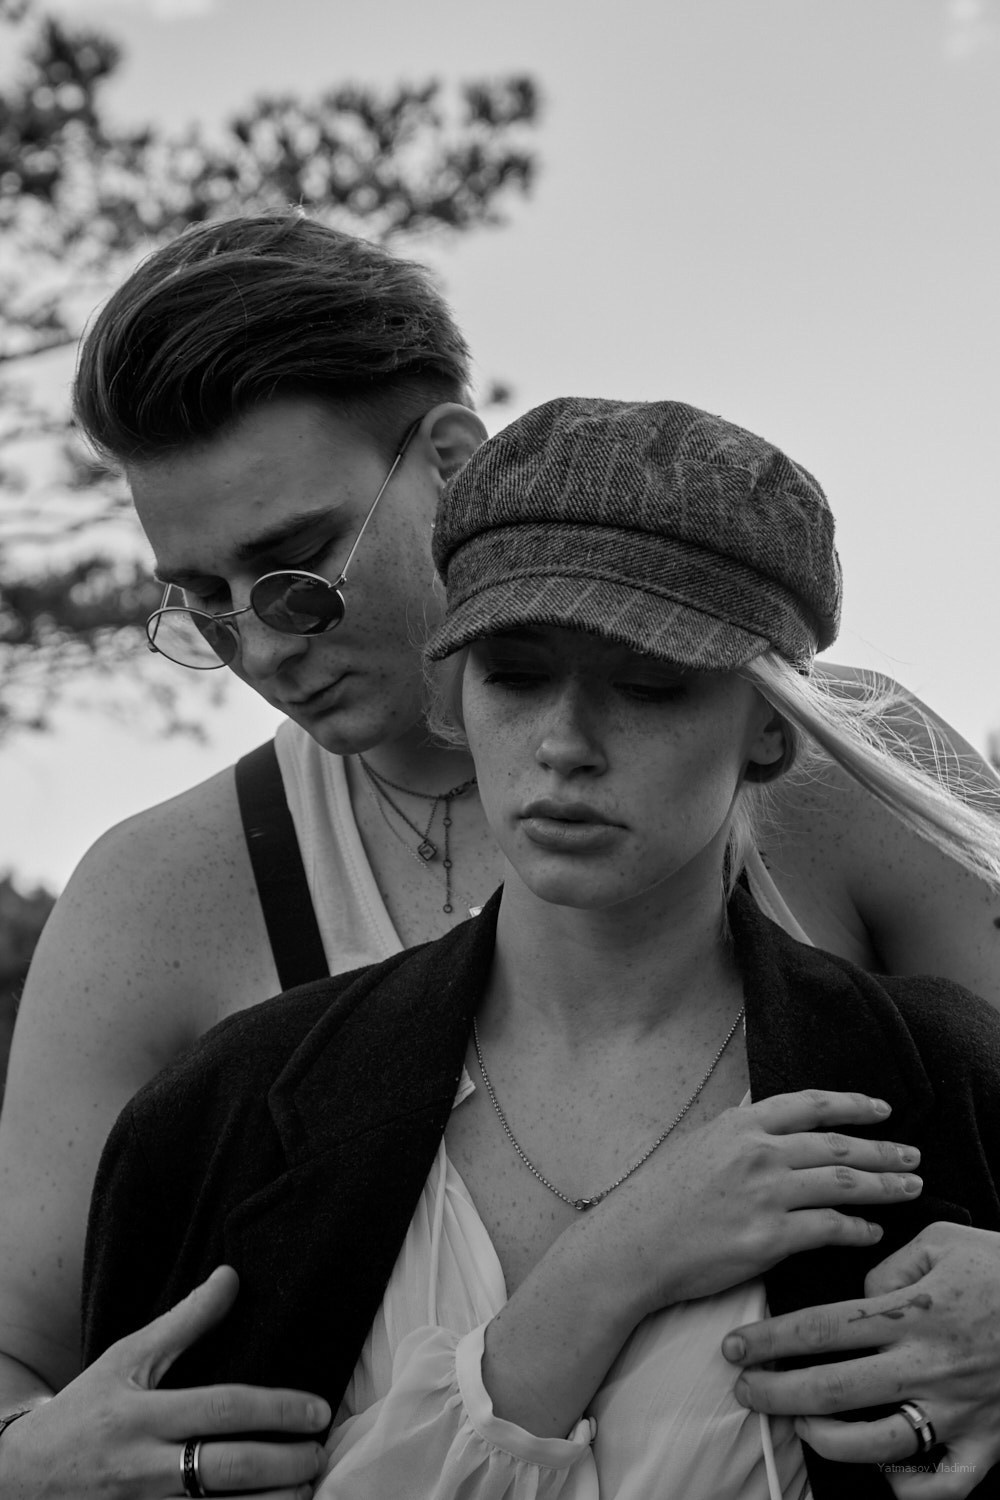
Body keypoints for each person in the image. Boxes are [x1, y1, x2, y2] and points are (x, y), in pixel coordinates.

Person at [0, 212, 998, 1493]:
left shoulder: (847, 773)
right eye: (200, 600)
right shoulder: (159, 898)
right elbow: (20, 1355)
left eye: (295, 564)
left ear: (451, 461)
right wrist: (34, 1467)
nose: (264, 646)